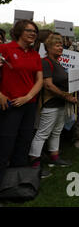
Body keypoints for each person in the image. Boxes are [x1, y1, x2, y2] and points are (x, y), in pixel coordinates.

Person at [0, 20, 43, 184]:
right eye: (29, 30)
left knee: (23, 143)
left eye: (35, 31)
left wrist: (27, 97)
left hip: (29, 104)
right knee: (5, 145)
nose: (33, 34)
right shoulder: (5, 49)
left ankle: (15, 184)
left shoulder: (35, 54)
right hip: (9, 105)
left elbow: (39, 80)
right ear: (19, 31)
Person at [29, 34, 76, 171]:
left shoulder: (58, 63)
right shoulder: (46, 62)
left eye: (61, 45)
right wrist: (65, 96)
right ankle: (35, 164)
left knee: (56, 132)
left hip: (60, 103)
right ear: (48, 48)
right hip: (50, 103)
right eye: (57, 45)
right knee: (43, 133)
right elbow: (48, 85)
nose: (60, 47)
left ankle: (54, 158)